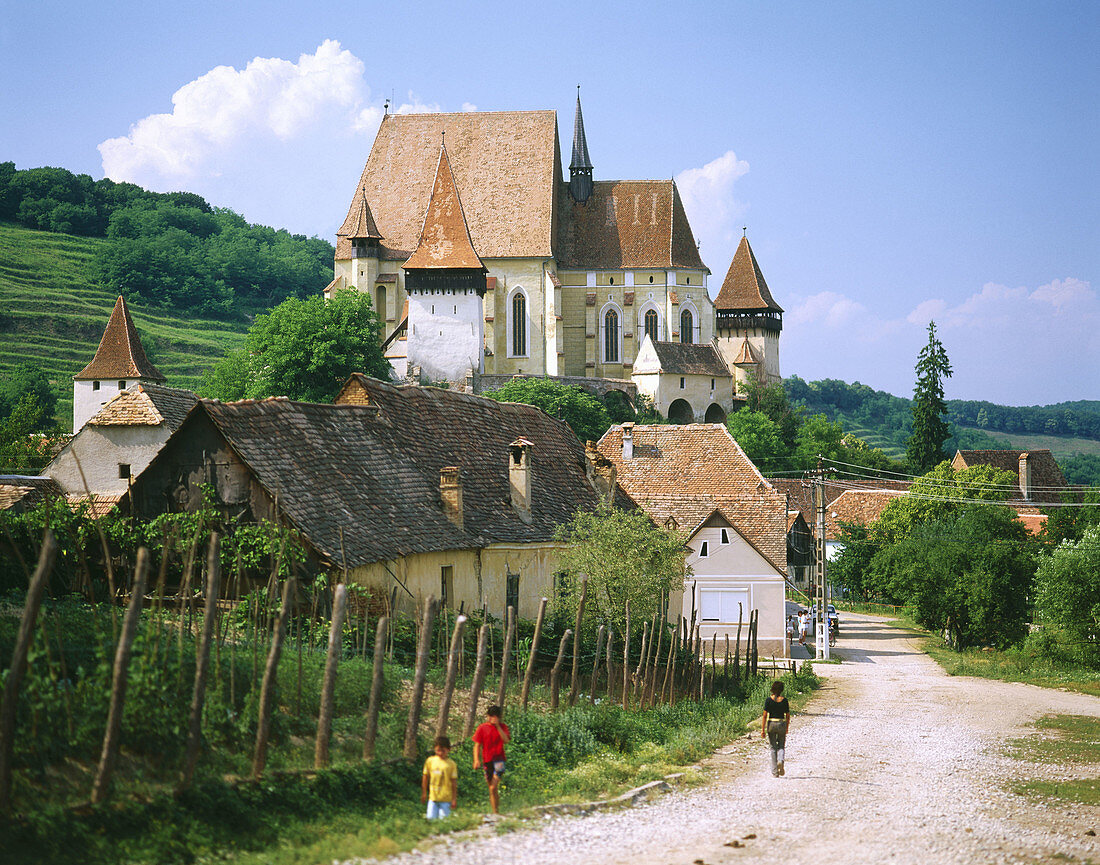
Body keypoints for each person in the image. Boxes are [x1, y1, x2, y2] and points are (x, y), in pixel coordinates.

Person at [472, 704, 511, 814]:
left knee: (493, 787)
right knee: (491, 789)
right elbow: (477, 745)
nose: (492, 718)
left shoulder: (503, 727)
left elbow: (506, 740)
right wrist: (476, 760)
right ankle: (496, 812)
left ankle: (495, 812)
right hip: (487, 761)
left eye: (495, 716)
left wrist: (498, 726)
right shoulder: (482, 728)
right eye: (490, 716)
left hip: (499, 760)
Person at [421, 735, 458, 819]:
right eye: (438, 750)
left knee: (444, 821)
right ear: (435, 749)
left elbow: (454, 782)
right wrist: (424, 793)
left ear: (448, 750)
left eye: (443, 751)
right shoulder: (430, 761)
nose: (440, 753)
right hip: (433, 798)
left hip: (446, 799)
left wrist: (454, 799)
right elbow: (425, 777)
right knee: (430, 819)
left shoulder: (451, 764)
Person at [761, 680, 790, 777]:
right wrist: (786, 727)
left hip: (771, 723)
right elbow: (788, 715)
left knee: (773, 747)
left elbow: (765, 716)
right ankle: (780, 760)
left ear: (772, 689)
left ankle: (774, 772)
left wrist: (763, 730)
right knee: (781, 746)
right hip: (781, 723)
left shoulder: (768, 700)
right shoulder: (784, 700)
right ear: (781, 690)